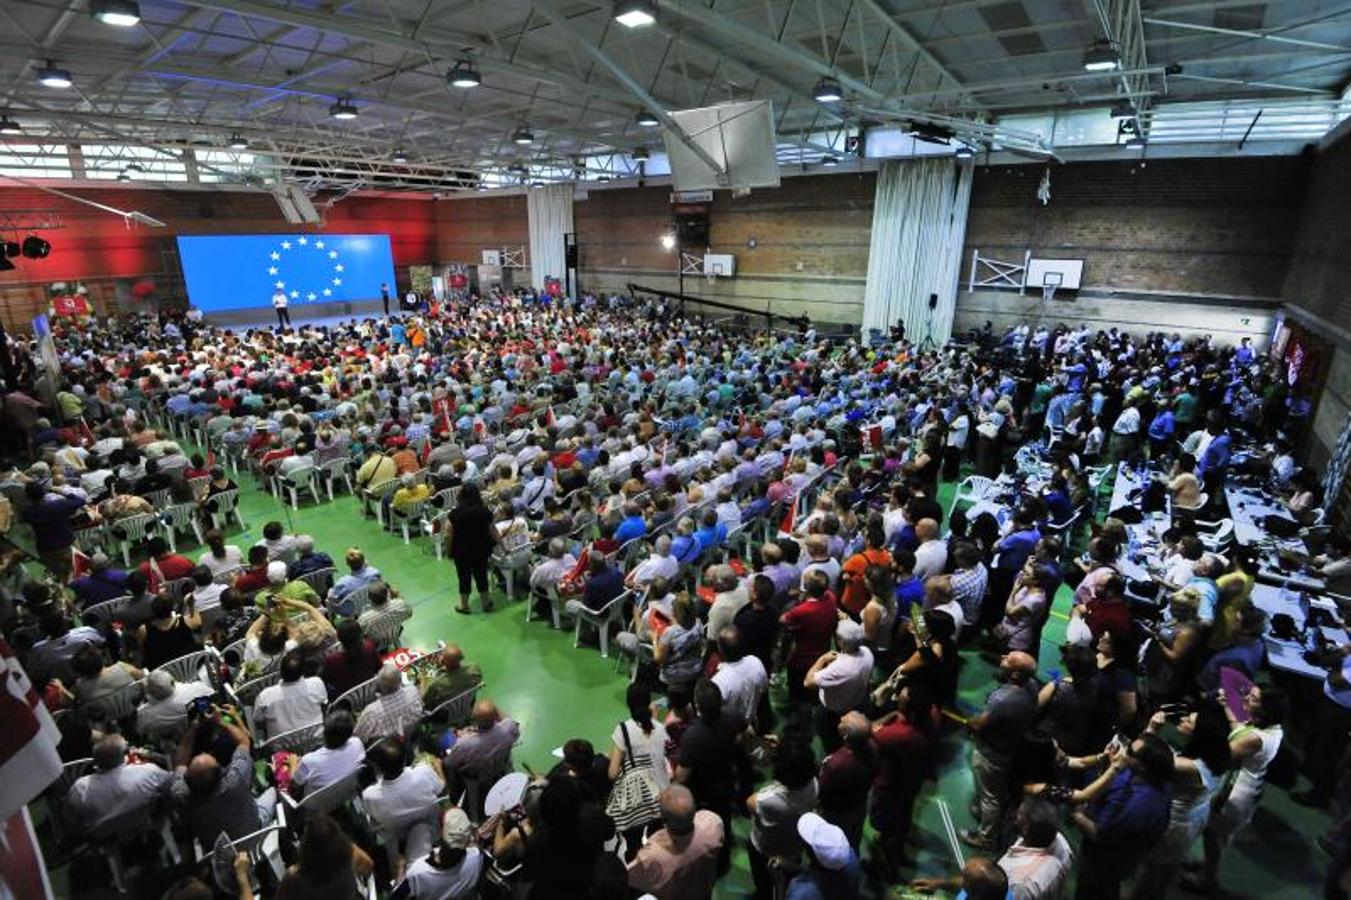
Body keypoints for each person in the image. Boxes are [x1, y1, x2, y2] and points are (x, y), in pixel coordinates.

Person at [1183, 684, 1288, 894]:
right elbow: (1239, 729)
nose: (1246, 698)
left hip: (1233, 795)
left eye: (1254, 698)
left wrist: (1196, 732)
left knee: (1213, 835)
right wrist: (1227, 707)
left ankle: (1208, 880)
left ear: (1267, 709)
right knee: (1221, 835)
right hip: (1250, 791)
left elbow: (1220, 755)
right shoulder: (1273, 728)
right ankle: (1208, 866)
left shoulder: (1255, 738)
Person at [1072, 733, 1174, 900]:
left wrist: (1078, 815)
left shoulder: (1139, 805)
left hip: (1104, 861)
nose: (1124, 752)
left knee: (1092, 890)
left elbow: (1100, 834)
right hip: (1121, 860)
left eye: (1130, 752)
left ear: (1143, 766)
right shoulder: (1153, 778)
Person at [964, 651, 1040, 851]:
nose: (1003, 656)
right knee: (996, 789)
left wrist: (970, 723)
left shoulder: (1002, 699)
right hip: (1011, 745)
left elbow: (980, 724)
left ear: (1016, 674)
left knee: (991, 797)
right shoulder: (1032, 686)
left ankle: (986, 838)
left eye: (1008, 659)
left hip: (992, 752)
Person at [171, 702, 277, 844]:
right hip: (254, 831)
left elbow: (179, 763)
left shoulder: (180, 794)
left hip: (218, 849)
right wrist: (220, 721)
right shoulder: (234, 780)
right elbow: (244, 742)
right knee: (273, 790)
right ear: (221, 772)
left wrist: (194, 727)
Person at [362, 738, 445, 881]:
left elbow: (374, 819)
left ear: (377, 768)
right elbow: (441, 789)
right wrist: (439, 767)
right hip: (431, 826)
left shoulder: (370, 795)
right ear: (406, 758)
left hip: (397, 834)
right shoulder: (423, 772)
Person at [747, 736, 819, 900]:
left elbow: (750, 803)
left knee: (764, 883)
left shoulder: (770, 800)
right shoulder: (815, 784)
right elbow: (799, 765)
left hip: (766, 849)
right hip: (794, 847)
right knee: (789, 879)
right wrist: (785, 750)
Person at [63, 734, 172, 841]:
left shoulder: (80, 789)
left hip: (102, 838)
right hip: (141, 826)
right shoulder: (150, 772)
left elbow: (70, 821)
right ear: (124, 756)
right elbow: (171, 784)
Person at [626, 784, 725, 900]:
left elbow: (628, 878)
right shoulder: (713, 822)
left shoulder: (651, 856)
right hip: (703, 892)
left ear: (664, 820)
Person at [805, 620, 874, 752]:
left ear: (841, 642)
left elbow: (808, 682)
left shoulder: (839, 669)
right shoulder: (867, 652)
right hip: (856, 702)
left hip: (834, 712)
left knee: (831, 741)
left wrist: (822, 659)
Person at [394, 807, 484, 900]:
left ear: (441, 833)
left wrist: (400, 866)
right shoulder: (477, 858)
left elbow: (396, 897)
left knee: (420, 828)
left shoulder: (418, 871)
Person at [444, 483, 497, 614]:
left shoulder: (455, 513)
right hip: (481, 549)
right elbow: (493, 530)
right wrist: (502, 546)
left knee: (464, 577)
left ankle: (464, 605)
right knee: (481, 575)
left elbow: (448, 535)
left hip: (461, 551)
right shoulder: (484, 511)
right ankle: (486, 603)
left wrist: (448, 551)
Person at [253, 650, 327, 742]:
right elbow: (323, 702)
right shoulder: (316, 683)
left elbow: (258, 720)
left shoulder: (265, 696)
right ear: (302, 671)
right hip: (316, 740)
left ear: (280, 672)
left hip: (281, 746)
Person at [786, 812, 862, 900]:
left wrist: (783, 880)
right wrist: (796, 867)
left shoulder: (803, 893)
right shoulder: (851, 857)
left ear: (812, 855)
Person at [292, 710, 365, 798]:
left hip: (315, 803)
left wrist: (295, 764)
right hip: (345, 794)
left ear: (324, 734)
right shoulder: (357, 743)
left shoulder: (308, 761)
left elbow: (295, 784)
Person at [137, 669, 214, 744]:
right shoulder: (199, 688)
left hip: (181, 744)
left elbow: (139, 731)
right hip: (211, 733)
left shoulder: (147, 716)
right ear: (172, 681)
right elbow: (213, 694)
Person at [354, 662, 425, 743]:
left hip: (388, 749)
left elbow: (358, 739)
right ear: (400, 681)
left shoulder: (371, 712)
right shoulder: (413, 691)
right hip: (414, 739)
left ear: (378, 686)